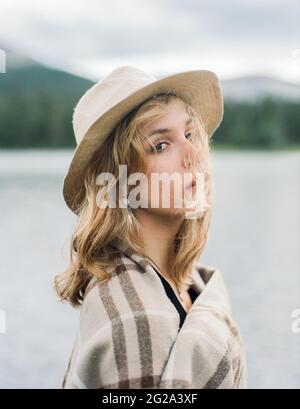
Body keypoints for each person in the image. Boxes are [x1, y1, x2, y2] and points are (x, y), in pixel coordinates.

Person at [54, 65, 247, 389]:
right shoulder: (133, 322)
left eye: (188, 134)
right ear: (123, 182)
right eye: (161, 145)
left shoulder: (189, 279)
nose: (192, 154)